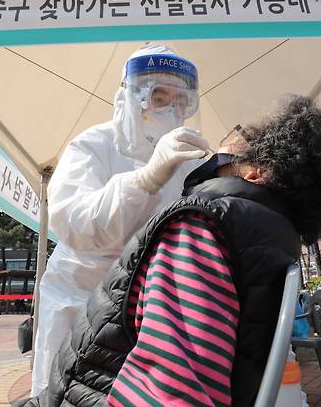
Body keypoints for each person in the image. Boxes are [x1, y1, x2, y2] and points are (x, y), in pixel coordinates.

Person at [37, 95, 321, 407]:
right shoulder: (273, 237)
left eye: (241, 134)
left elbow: (171, 394)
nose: (223, 140)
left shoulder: (206, 225)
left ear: (257, 171)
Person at [32, 43, 209, 396]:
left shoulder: (190, 159)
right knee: (65, 391)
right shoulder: (93, 145)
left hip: (152, 303)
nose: (171, 110)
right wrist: (144, 180)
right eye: (160, 98)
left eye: (181, 101)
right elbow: (76, 226)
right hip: (80, 297)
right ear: (132, 96)